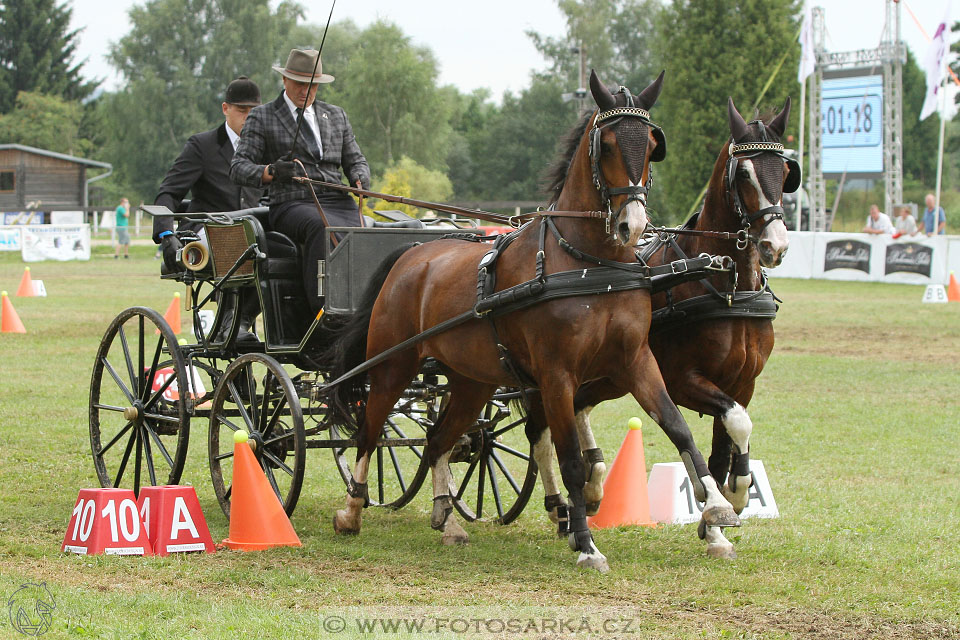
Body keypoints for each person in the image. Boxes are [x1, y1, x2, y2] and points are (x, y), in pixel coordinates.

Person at [230, 48, 370, 313]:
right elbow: (238, 167)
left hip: (337, 200)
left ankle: (362, 304)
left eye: (312, 85)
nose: (306, 91)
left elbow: (356, 160)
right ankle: (323, 308)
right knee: (321, 226)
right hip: (292, 203)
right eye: (299, 83)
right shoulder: (263, 116)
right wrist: (270, 171)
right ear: (285, 80)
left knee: (364, 233)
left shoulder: (336, 115)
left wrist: (359, 179)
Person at [153, 76, 265, 343]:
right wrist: (166, 235)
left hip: (255, 230)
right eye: (241, 111)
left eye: (253, 112)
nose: (247, 118)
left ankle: (253, 321)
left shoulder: (266, 149)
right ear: (225, 109)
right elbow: (168, 192)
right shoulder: (202, 146)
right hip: (207, 230)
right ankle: (231, 324)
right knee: (238, 238)